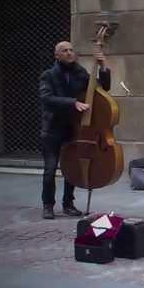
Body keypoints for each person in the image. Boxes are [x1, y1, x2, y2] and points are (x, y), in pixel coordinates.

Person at [39, 41, 111, 219]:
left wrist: (103, 67)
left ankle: (68, 204)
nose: (69, 53)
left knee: (71, 167)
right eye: (65, 51)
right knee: (50, 169)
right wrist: (73, 102)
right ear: (57, 55)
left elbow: (102, 88)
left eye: (71, 50)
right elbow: (46, 98)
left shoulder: (80, 73)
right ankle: (48, 205)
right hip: (53, 128)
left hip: (73, 128)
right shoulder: (48, 75)